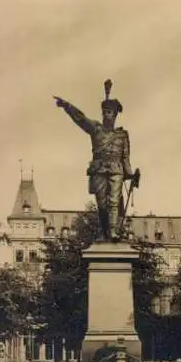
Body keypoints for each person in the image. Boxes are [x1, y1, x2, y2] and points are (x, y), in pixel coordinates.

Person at [54, 80, 135, 241]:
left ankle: (113, 231)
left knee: (114, 201)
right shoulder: (95, 129)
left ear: (115, 115)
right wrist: (67, 106)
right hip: (98, 169)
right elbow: (81, 119)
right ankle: (105, 231)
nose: (106, 115)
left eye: (110, 112)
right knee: (102, 205)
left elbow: (126, 157)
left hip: (116, 170)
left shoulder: (122, 135)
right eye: (104, 112)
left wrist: (131, 174)